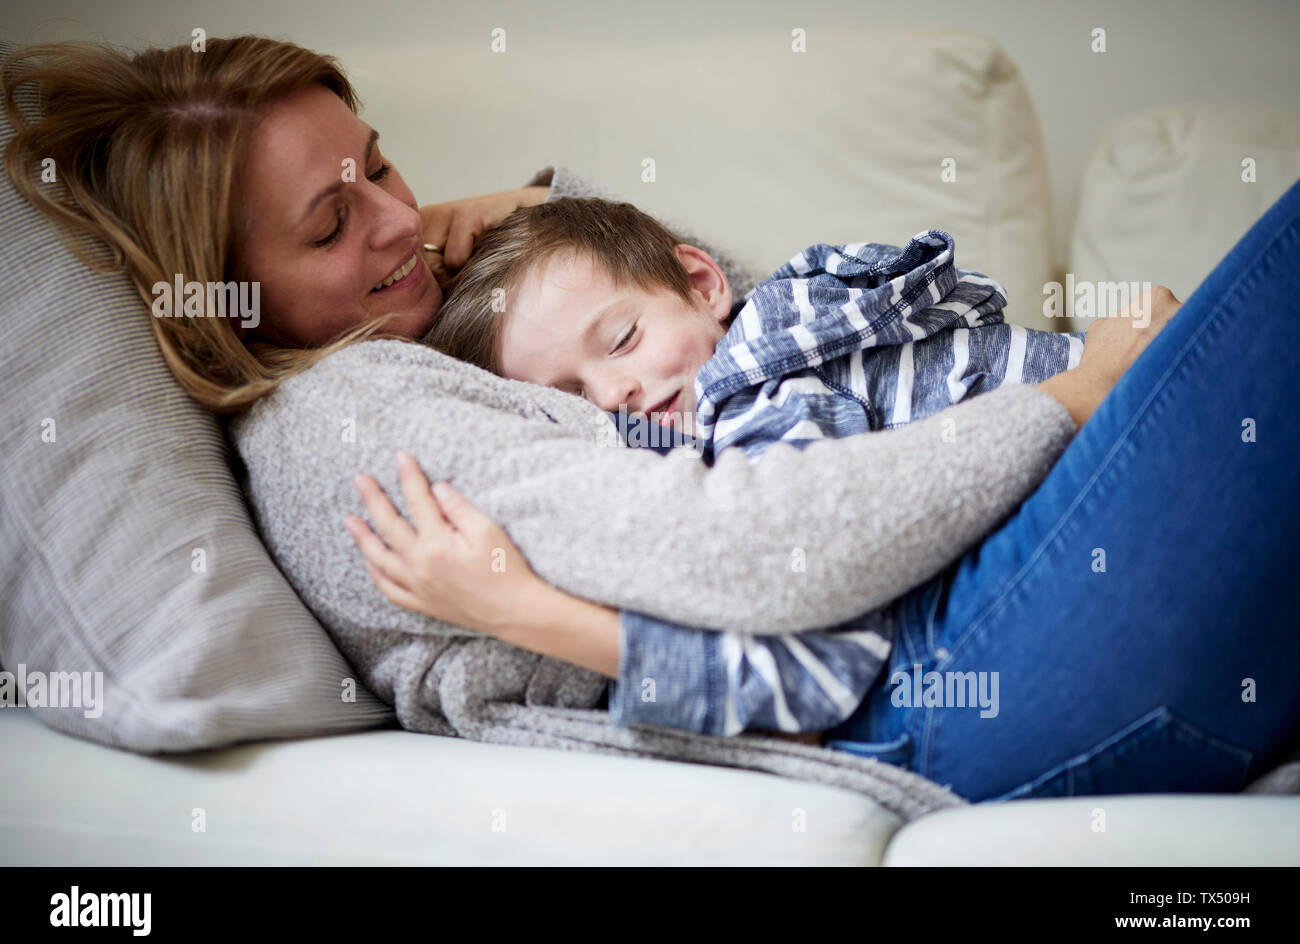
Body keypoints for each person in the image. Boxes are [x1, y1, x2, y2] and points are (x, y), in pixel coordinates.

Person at [6, 35, 1294, 803]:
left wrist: (526, 210)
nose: (398, 221)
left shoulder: (424, 324)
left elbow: (742, 337)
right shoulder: (346, 419)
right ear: (233, 304)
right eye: (331, 224)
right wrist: (1078, 391)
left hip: (982, 609)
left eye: (381, 164)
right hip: (966, 656)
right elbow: (749, 542)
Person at [423, 196, 1087, 464]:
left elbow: (789, 516)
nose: (608, 395)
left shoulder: (753, 372)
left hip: (1112, 403)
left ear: (708, 287)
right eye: (568, 396)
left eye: (623, 339)